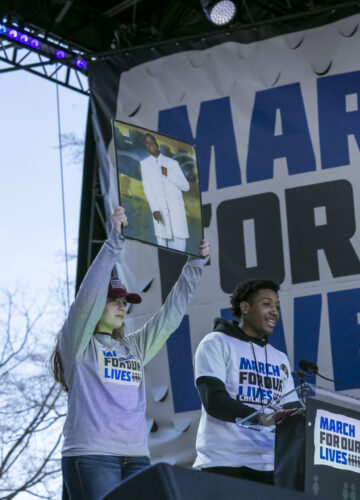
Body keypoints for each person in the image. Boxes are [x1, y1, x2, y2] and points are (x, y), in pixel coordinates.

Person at [52, 206, 209, 500]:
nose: (122, 305)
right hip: (91, 455)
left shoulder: (134, 347)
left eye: (125, 301)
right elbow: (86, 299)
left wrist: (194, 265)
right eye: (114, 301)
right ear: (97, 307)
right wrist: (114, 243)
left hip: (136, 457)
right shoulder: (78, 348)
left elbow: (170, 317)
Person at [193, 279, 297, 484]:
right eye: (267, 304)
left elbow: (291, 408)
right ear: (245, 307)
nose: (275, 312)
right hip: (225, 464)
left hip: (271, 466)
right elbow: (214, 400)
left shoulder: (280, 358)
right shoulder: (215, 342)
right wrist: (259, 418)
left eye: (277, 306)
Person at [140, 133, 190, 251]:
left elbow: (186, 186)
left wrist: (169, 174)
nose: (149, 145)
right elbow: (148, 189)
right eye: (146, 143)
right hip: (160, 215)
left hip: (177, 215)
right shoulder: (145, 165)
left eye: (151, 141)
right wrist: (155, 209)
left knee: (180, 252)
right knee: (163, 253)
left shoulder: (172, 163)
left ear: (157, 144)